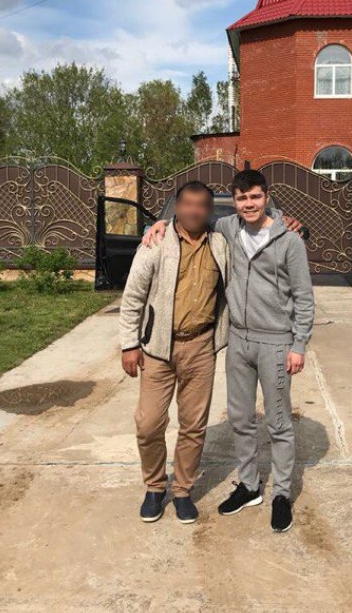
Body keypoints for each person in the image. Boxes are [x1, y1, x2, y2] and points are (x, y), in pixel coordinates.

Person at [144, 169, 314, 533]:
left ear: (266, 196)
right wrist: (155, 226)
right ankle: (251, 485)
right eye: (241, 198)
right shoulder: (228, 229)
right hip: (238, 339)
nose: (248, 204)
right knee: (240, 418)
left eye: (254, 197)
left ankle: (281, 493)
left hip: (276, 341)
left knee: (279, 421)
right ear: (234, 202)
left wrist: (299, 344)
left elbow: (303, 297)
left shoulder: (289, 241)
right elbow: (189, 218)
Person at [119, 180, 229, 525]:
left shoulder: (222, 243)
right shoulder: (156, 242)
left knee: (194, 426)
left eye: (202, 205)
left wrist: (286, 220)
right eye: (187, 204)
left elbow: (259, 219)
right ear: (176, 208)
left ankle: (182, 490)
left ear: (209, 211)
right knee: (148, 424)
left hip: (201, 347)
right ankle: (154, 487)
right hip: (157, 350)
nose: (194, 210)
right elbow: (133, 297)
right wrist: (129, 344)